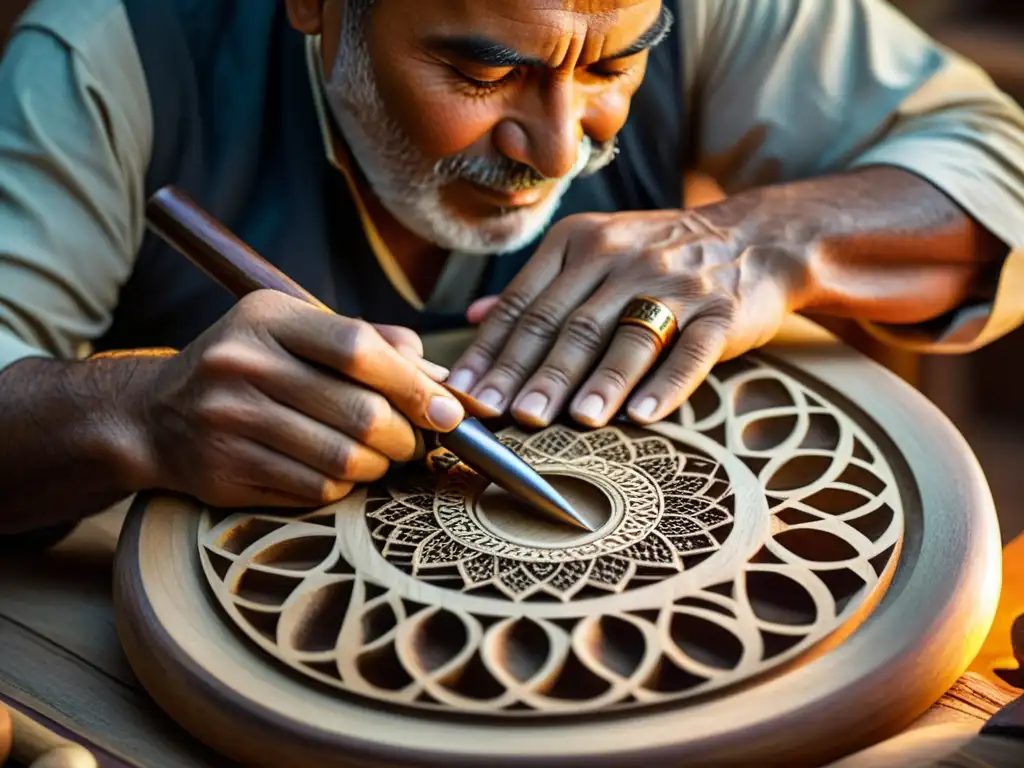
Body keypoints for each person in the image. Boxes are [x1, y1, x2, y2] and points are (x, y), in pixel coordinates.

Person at [0, 0, 1021, 535]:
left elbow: (997, 164)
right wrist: (132, 412)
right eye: (484, 72)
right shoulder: (111, 48)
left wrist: (760, 239)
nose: (559, 146)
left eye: (616, 67)